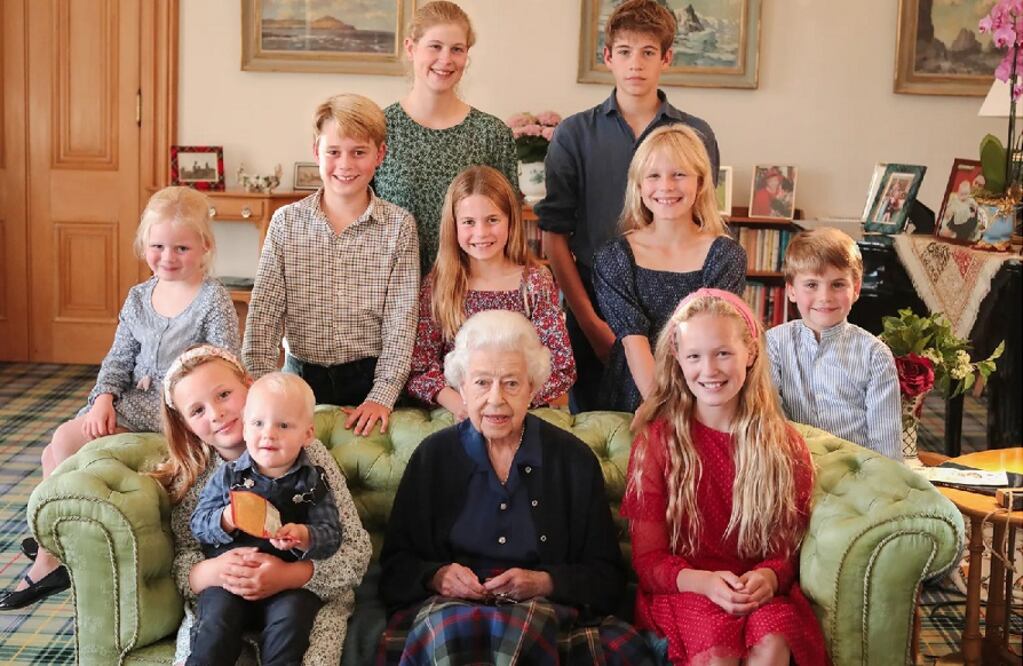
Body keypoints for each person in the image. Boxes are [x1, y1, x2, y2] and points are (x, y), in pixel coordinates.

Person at [0, 187, 240, 611]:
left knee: (68, 452)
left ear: (204, 246)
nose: (168, 257)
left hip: (179, 411)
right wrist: (103, 398)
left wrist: (192, 405)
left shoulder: (212, 298)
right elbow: (118, 357)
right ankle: (55, 542)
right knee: (59, 445)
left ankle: (50, 556)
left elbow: (224, 362)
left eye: (181, 247)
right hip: (130, 401)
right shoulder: (137, 297)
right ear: (144, 244)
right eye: (158, 246)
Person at [379, 310, 652, 665]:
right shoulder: (434, 457)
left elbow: (607, 576)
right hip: (450, 611)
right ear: (462, 386)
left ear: (533, 389)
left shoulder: (573, 460)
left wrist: (545, 582)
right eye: (481, 383)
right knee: (450, 631)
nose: (496, 399)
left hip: (548, 612)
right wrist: (436, 576)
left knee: (531, 631)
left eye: (511, 383)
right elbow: (395, 566)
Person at [622, 288, 826, 665]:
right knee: (716, 652)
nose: (710, 370)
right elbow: (648, 562)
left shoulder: (782, 444)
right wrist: (706, 583)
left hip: (754, 590)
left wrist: (769, 576)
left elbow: (786, 549)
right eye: (695, 356)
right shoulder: (658, 443)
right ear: (678, 361)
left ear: (750, 354)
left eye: (723, 353)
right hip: (685, 591)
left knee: (775, 640)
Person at [536, 0, 719, 413]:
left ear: (667, 58)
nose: (635, 64)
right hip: (593, 307)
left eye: (648, 53)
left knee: (677, 422)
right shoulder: (574, 134)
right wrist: (591, 324)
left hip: (676, 305)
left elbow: (703, 224)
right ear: (608, 57)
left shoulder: (694, 134)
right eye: (624, 52)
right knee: (596, 434)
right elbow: (554, 236)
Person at [153, 345, 371, 665]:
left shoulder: (308, 458)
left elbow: (352, 548)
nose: (216, 413)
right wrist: (214, 569)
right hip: (223, 594)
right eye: (197, 411)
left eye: (224, 394)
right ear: (185, 423)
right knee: (208, 642)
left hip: (299, 589)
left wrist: (290, 571)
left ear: (249, 385)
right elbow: (186, 558)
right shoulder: (200, 474)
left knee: (300, 642)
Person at [243, 93, 420, 437]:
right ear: (316, 153)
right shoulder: (286, 223)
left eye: (359, 152)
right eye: (333, 152)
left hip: (368, 381)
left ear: (379, 155)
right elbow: (263, 316)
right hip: (299, 379)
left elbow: (401, 322)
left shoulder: (399, 227)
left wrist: (381, 396)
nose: (345, 164)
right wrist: (262, 392)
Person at [187, 372, 342, 665]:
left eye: (283, 425)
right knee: (215, 625)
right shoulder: (229, 475)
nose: (268, 434)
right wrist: (225, 518)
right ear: (245, 428)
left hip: (286, 583)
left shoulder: (313, 481)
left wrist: (304, 535)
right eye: (258, 423)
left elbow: (332, 534)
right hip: (230, 582)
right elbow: (198, 525)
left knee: (292, 622)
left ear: (307, 434)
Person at [594, 125, 745, 413]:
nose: (666, 186)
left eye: (679, 174)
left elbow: (714, 337)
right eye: (653, 176)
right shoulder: (614, 257)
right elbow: (632, 339)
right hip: (635, 393)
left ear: (700, 184)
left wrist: (689, 411)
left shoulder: (725, 255)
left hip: (706, 390)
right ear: (638, 186)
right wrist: (660, 407)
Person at [405, 166, 575, 417]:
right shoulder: (438, 285)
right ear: (454, 226)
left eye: (492, 220)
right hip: (456, 413)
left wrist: (509, 402)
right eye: (469, 222)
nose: (481, 233)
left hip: (520, 413)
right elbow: (419, 369)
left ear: (511, 221)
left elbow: (561, 367)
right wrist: (461, 405)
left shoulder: (534, 283)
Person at [373, 0, 518, 275]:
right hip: (394, 295)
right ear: (410, 48)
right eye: (435, 46)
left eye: (457, 49)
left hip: (472, 296)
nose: (446, 59)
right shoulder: (379, 129)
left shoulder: (492, 134)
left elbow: (509, 229)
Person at [766, 227, 902, 460]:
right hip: (793, 468)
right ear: (791, 291)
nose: (825, 297)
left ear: (856, 289)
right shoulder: (773, 345)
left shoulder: (875, 355)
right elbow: (770, 421)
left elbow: (886, 445)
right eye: (811, 285)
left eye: (838, 285)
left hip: (858, 474)